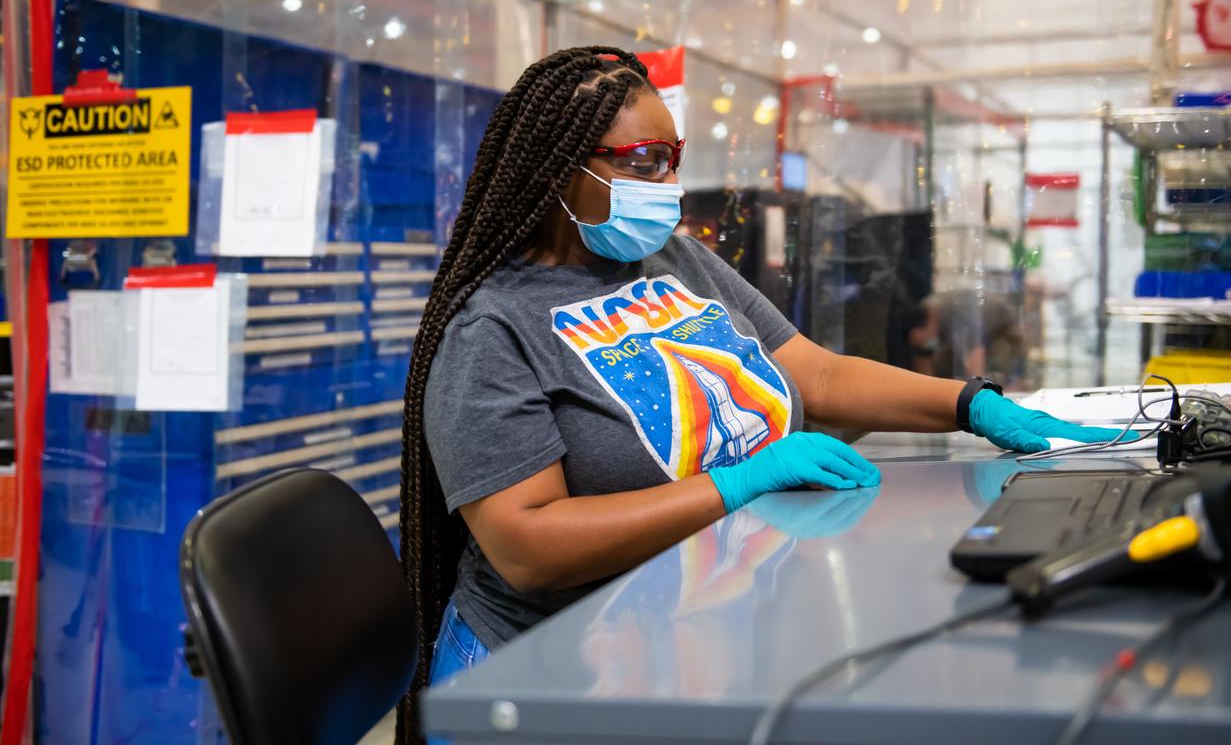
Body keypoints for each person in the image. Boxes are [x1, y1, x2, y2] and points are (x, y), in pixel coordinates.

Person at [395, 47, 1123, 737]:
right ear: (558, 170)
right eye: (643, 162)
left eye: (672, 159)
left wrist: (969, 405)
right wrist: (738, 483)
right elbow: (528, 543)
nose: (667, 186)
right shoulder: (487, 328)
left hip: (685, 637)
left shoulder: (673, 260)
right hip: (549, 674)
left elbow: (821, 375)